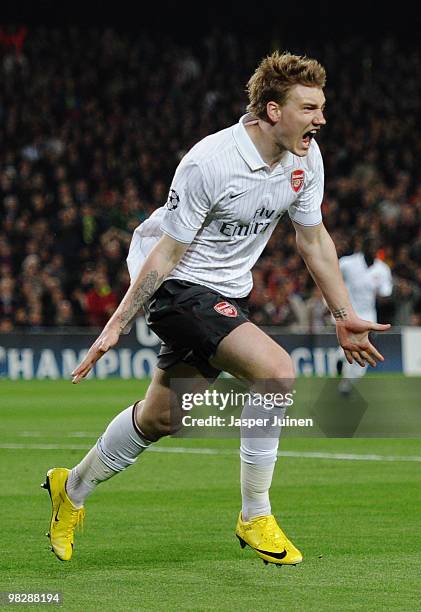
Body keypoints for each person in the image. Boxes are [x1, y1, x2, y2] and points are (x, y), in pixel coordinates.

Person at [42, 51, 390, 566]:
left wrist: (343, 319)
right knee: (277, 373)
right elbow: (166, 253)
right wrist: (117, 325)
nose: (321, 119)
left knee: (162, 418)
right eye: (309, 107)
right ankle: (255, 514)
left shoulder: (304, 159)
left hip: (226, 292)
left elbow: (313, 239)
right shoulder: (211, 161)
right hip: (177, 285)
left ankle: (70, 488)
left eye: (322, 107)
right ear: (273, 110)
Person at [337, 237, 393, 394]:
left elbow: (385, 293)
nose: (373, 251)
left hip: (369, 315)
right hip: (348, 312)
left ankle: (346, 380)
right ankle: (340, 359)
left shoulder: (382, 269)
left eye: (376, 248)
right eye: (370, 247)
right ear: (363, 247)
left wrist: (384, 296)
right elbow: (332, 278)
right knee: (354, 347)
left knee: (364, 353)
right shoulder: (348, 263)